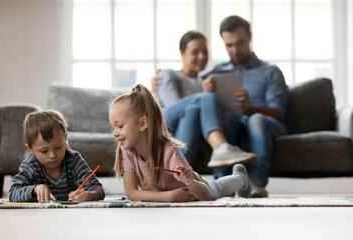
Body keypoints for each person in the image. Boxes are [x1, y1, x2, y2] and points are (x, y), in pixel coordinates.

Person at [109, 84, 251, 202]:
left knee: (216, 190)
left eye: (120, 126)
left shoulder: (169, 152)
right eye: (113, 127)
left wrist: (191, 183)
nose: (114, 133)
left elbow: (204, 193)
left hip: (195, 187)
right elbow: (132, 193)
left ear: (143, 123)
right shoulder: (127, 151)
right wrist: (168, 197)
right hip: (170, 193)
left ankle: (240, 178)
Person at [199, 15, 289, 197]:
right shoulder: (215, 73)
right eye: (229, 45)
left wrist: (250, 108)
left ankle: (256, 182)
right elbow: (188, 88)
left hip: (266, 124)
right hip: (233, 124)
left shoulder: (270, 72)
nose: (235, 50)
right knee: (228, 119)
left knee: (256, 119)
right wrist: (203, 90)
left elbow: (277, 113)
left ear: (250, 37)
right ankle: (222, 183)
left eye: (239, 43)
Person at [152, 30, 256, 169]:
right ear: (182, 54)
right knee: (202, 100)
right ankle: (221, 147)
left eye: (205, 52)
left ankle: (178, 171)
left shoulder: (205, 80)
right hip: (163, 122)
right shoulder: (168, 74)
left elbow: (196, 115)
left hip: (186, 127)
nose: (201, 57)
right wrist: (204, 94)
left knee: (194, 111)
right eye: (195, 52)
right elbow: (175, 107)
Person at [9, 110, 105, 202]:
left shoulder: (73, 159)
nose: (52, 155)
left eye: (58, 147)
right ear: (31, 149)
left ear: (65, 139)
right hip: (40, 216)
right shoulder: (30, 164)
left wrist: (88, 196)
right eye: (44, 151)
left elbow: (98, 189)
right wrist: (35, 189)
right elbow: (13, 194)